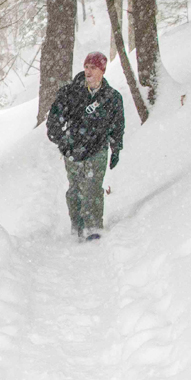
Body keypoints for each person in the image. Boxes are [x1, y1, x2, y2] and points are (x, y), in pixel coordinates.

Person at [45, 51, 125, 241]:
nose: (88, 71)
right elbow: (53, 120)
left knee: (93, 188)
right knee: (75, 189)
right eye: (86, 67)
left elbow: (118, 125)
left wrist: (116, 149)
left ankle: (93, 228)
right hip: (73, 150)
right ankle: (77, 226)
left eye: (93, 68)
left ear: (102, 71)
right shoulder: (69, 93)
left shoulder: (112, 97)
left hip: (98, 149)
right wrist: (62, 140)